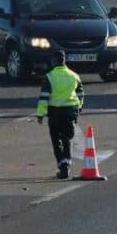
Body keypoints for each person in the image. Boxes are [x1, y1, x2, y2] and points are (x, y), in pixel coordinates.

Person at [36, 50, 84, 179]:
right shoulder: (74, 75)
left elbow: (44, 97)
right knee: (67, 138)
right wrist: (79, 108)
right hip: (70, 111)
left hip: (55, 112)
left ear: (53, 61)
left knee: (56, 139)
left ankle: (63, 165)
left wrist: (40, 114)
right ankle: (67, 162)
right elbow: (80, 93)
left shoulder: (50, 76)